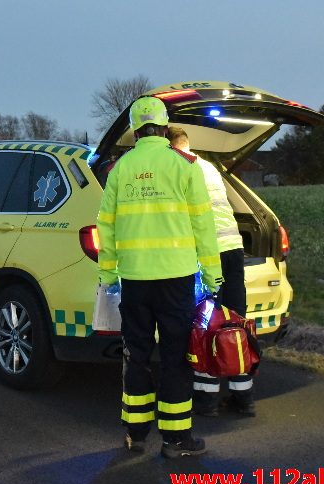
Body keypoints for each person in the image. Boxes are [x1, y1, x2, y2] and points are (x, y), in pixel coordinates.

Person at [97, 97, 223, 458]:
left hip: (134, 279)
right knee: (174, 356)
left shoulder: (120, 168)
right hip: (176, 279)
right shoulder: (184, 165)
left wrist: (108, 274)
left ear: (136, 129)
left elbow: (106, 226)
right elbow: (204, 225)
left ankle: (135, 433)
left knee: (135, 354)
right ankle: (176, 439)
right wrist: (213, 276)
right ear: (165, 127)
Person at [167, 127, 255, 417]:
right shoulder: (209, 167)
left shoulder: (179, 168)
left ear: (170, 147)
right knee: (235, 323)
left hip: (207, 254)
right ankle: (244, 398)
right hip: (233, 248)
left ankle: (206, 400)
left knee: (206, 324)